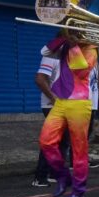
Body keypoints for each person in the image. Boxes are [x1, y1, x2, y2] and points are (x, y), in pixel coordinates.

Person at [38, 0, 99, 197]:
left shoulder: (92, 48)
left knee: (79, 148)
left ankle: (79, 190)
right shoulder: (64, 43)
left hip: (80, 103)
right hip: (61, 101)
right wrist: (64, 38)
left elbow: (82, 71)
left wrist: (74, 46)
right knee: (46, 141)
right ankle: (63, 177)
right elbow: (44, 52)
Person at [32, 42, 69, 187]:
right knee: (52, 141)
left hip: (66, 105)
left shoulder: (70, 57)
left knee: (64, 141)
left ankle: (54, 173)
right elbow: (40, 79)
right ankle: (40, 177)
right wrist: (54, 99)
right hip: (52, 105)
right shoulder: (51, 55)